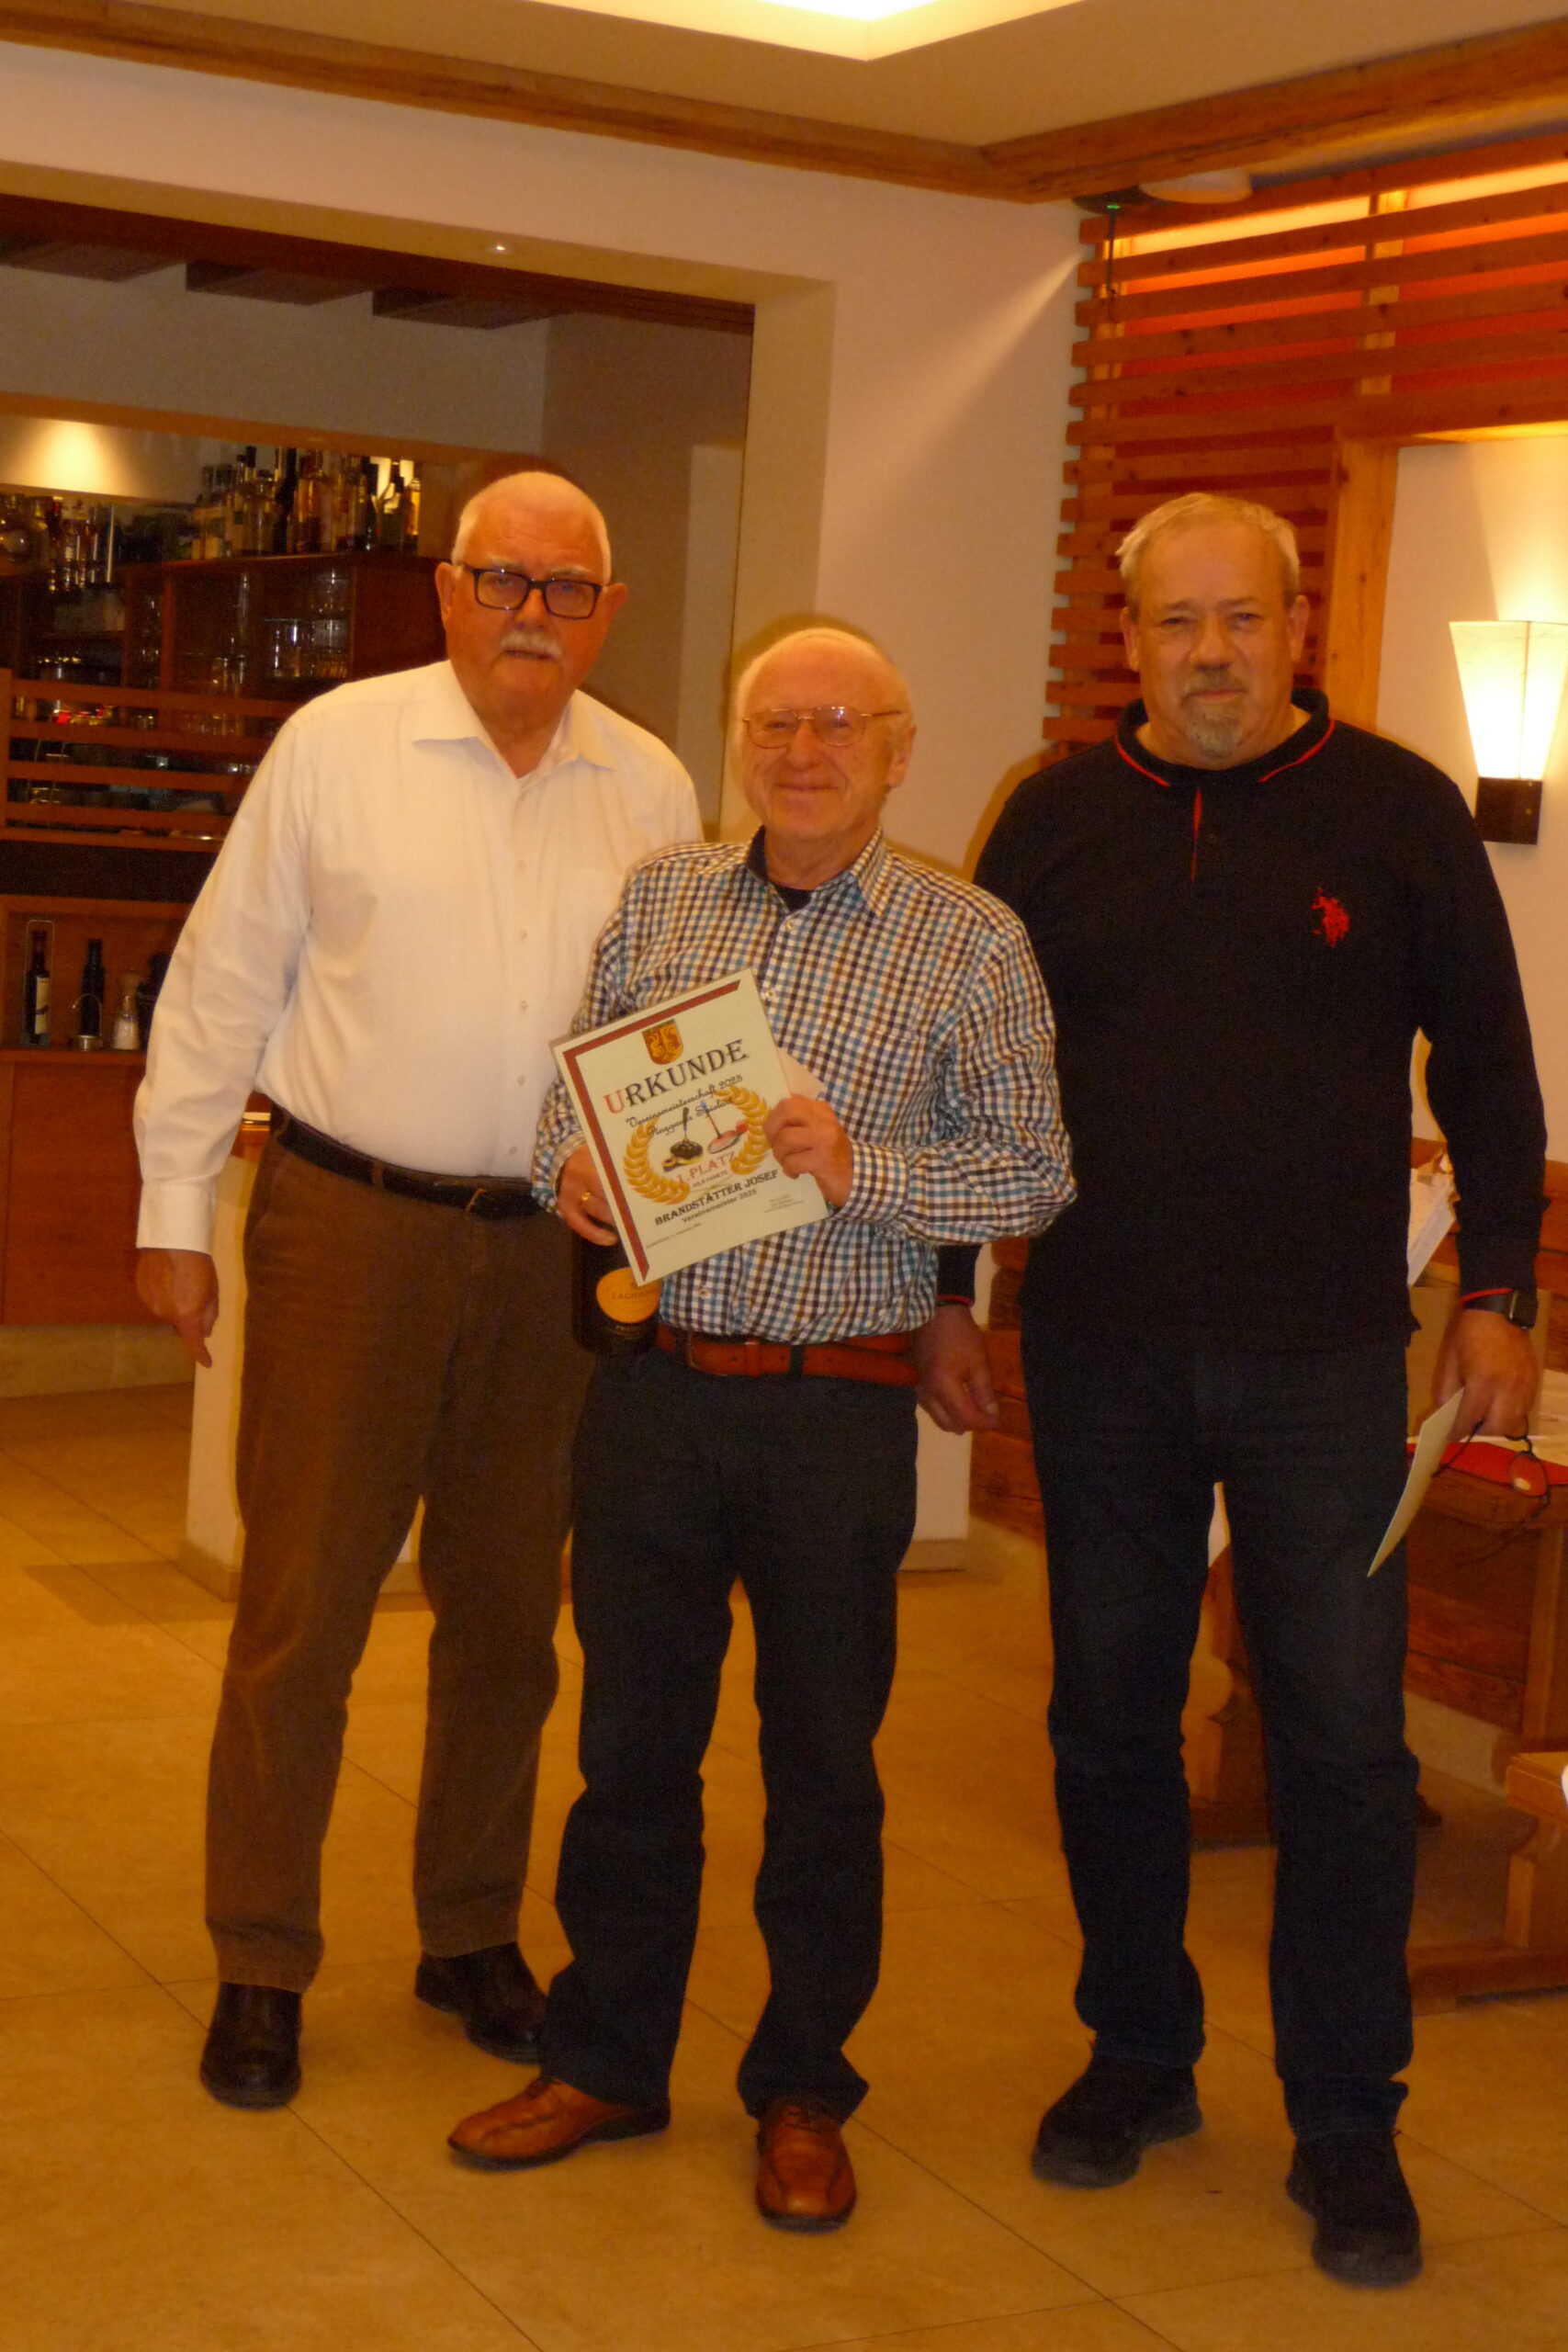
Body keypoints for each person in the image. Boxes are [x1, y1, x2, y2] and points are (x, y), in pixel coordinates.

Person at [938, 492, 1545, 2289]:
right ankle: (1137, 2049)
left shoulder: (1399, 810)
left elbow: (1492, 1068)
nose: (1209, 652)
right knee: (1105, 1721)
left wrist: (1497, 1295)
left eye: (1241, 618)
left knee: (1343, 1748)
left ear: (1295, 627)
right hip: (1099, 1347)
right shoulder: (1049, 820)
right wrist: (945, 1292)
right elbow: (972, 1077)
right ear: (1130, 639)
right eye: (1175, 622)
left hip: (1324, 1365)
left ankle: (1345, 2116)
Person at [445, 625, 1074, 2227]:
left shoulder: (971, 940)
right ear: (741, 743)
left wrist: (865, 1169)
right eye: (775, 723)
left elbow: (1035, 1172)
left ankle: (804, 2089)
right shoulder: (665, 900)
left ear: (897, 750)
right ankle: (606, 2060)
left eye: (838, 723)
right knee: (629, 1754)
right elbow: (567, 1098)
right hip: (653, 1395)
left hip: (833, 1414)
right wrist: (570, 1167)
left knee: (824, 1770)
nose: (803, 751)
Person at [134, 469, 701, 2109]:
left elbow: (671, 1027)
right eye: (502, 578)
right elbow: (220, 983)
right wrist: (175, 1210)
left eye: (567, 588)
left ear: (607, 613)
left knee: (511, 1617)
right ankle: (261, 1956)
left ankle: (468, 1930)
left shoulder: (652, 786)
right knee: (301, 1613)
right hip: (350, 1228)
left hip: (554, 1256)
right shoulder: (338, 747)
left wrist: (674, 1221)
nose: (532, 612)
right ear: (449, 590)